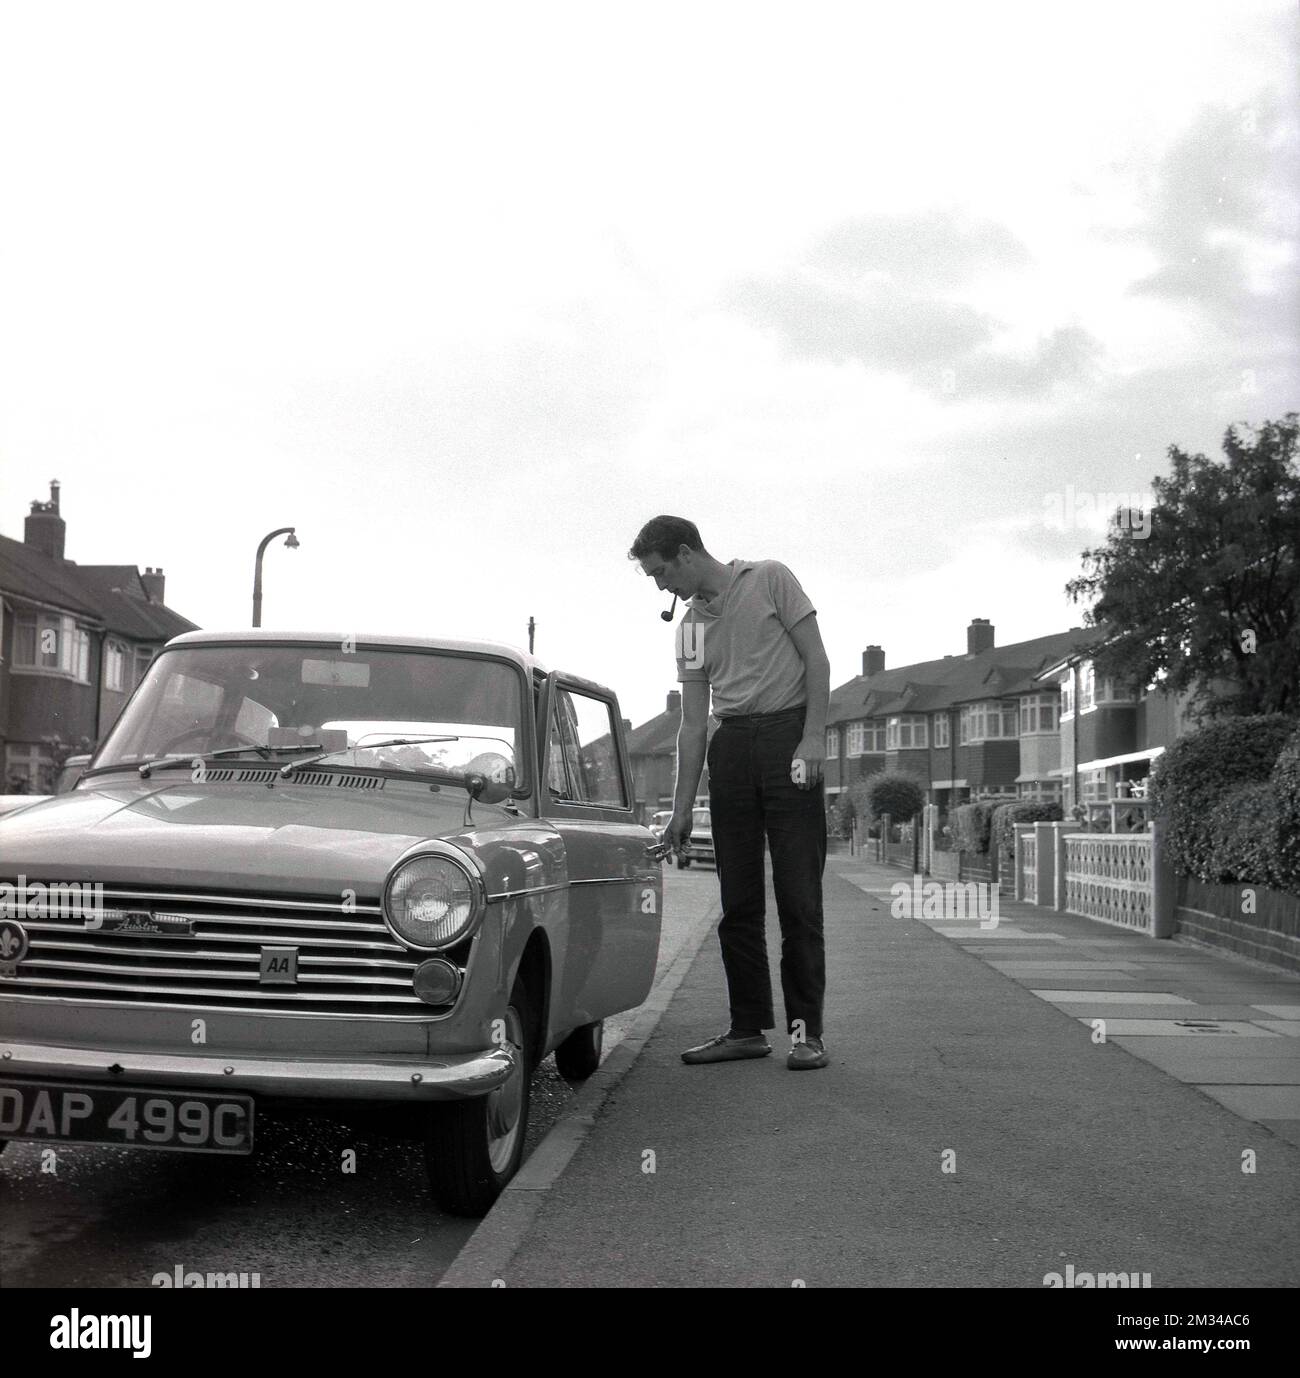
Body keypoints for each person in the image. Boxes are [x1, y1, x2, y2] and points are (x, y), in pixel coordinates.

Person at [629, 515, 831, 1070]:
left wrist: (813, 738)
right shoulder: (690, 629)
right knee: (738, 902)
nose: (660, 586)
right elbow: (693, 725)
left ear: (687, 553)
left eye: (660, 572)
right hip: (733, 748)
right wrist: (676, 811)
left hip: (789, 738)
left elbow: (817, 659)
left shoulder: (770, 578)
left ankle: (806, 1035)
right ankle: (747, 1030)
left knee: (798, 900)